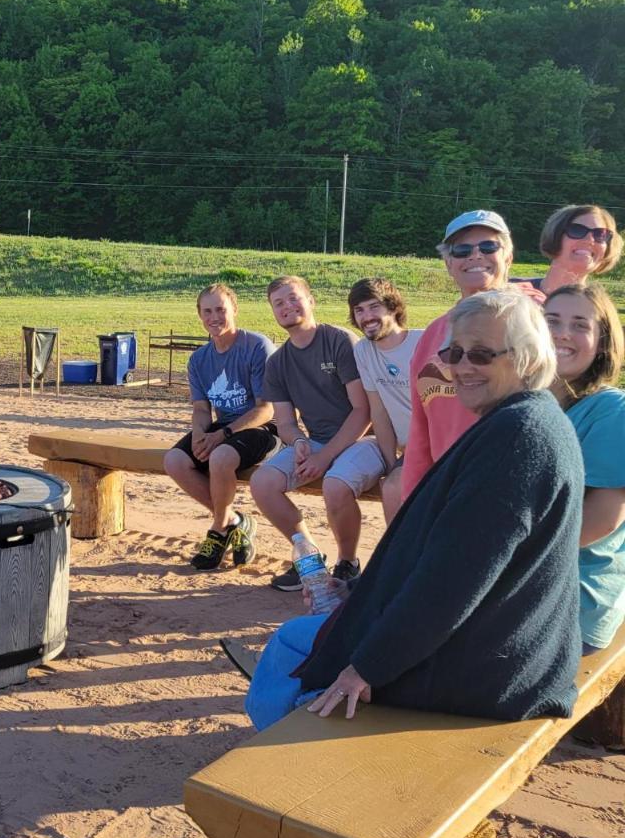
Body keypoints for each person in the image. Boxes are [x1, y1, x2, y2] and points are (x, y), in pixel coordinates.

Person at [243, 290, 582, 731]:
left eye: (481, 354)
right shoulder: (521, 420)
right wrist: (361, 597)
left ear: (528, 357)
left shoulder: (517, 440)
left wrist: (365, 668)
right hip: (502, 643)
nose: (461, 366)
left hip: (487, 669)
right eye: (454, 352)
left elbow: (453, 584)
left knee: (304, 680)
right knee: (295, 639)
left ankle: (277, 764)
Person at [401, 210, 543, 500]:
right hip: (448, 490)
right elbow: (420, 429)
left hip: (513, 490)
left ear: (509, 257)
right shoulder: (432, 335)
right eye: (462, 250)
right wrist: (413, 501)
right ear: (449, 263)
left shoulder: (533, 321)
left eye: (489, 246)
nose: (475, 255)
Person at [250, 276, 381, 592]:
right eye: (278, 303)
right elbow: (285, 421)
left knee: (335, 485)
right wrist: (297, 443)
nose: (287, 307)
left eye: (293, 298)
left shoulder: (338, 341)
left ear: (311, 301)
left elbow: (362, 412)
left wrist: (325, 456)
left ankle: (348, 563)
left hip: (365, 437)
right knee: (262, 482)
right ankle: (309, 558)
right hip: (318, 440)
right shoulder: (278, 362)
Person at [164, 283, 278, 571]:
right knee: (175, 460)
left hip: (262, 428)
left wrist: (223, 435)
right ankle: (235, 521)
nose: (215, 317)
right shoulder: (199, 360)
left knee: (220, 456)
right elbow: (202, 409)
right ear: (200, 316)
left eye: (221, 309)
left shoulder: (256, 346)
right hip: (222, 428)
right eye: (207, 311)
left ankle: (218, 529)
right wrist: (202, 434)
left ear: (234, 310)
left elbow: (267, 408)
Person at [544, 283, 625, 655]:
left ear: (602, 343)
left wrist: (500, 562)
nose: (562, 333)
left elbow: (600, 521)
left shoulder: (611, 410)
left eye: (580, 325)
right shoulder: (533, 403)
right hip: (528, 586)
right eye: (552, 321)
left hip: (574, 603)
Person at [347, 278, 422, 523]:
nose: (367, 317)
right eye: (359, 310)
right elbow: (378, 412)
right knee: (391, 487)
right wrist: (391, 465)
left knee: (394, 489)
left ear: (393, 307)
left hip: (440, 447)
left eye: (374, 307)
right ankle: (399, 558)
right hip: (408, 452)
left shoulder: (423, 343)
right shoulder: (363, 351)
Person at [517, 204, 620, 294]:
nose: (589, 240)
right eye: (577, 230)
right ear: (555, 236)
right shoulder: (511, 293)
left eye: (600, 234)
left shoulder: (599, 311)